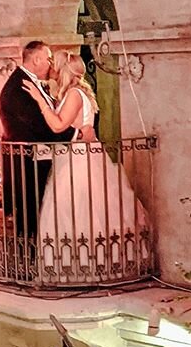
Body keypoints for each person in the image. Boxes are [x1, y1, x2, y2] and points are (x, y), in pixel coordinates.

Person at [22, 50, 148, 281]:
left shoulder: (75, 95)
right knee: (74, 212)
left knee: (82, 211)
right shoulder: (70, 94)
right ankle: (76, 267)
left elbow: (59, 126)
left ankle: (88, 268)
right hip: (76, 156)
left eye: (54, 65)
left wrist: (40, 102)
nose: (50, 68)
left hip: (80, 160)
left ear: (62, 70)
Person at [0, 41, 77, 238]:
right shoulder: (20, 87)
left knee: (38, 214)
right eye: (48, 58)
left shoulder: (27, 82)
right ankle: (28, 263)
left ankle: (34, 258)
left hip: (37, 160)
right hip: (27, 163)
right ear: (36, 59)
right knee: (29, 217)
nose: (51, 63)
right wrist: (77, 135)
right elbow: (41, 126)